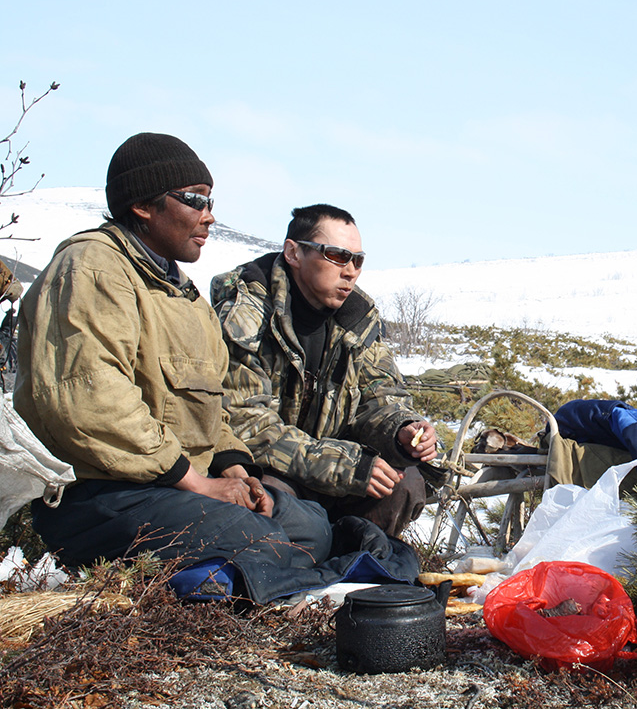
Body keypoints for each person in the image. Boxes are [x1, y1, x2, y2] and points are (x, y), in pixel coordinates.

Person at [14, 133, 414, 604]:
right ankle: (209, 586)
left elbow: (215, 410)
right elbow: (93, 405)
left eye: (210, 201)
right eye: (195, 200)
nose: (210, 215)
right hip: (104, 495)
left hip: (178, 488)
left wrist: (239, 474)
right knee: (266, 541)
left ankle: (245, 577)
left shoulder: (182, 294)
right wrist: (198, 482)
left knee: (310, 529)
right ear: (143, 205)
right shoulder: (91, 270)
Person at [210, 204, 437, 538]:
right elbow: (247, 425)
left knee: (404, 482)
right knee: (267, 492)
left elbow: (382, 394)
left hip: (335, 474)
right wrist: (346, 466)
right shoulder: (247, 311)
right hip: (273, 469)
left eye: (358, 260)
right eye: (337, 256)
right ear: (293, 253)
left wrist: (402, 430)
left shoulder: (358, 318)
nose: (350, 271)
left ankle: (355, 576)